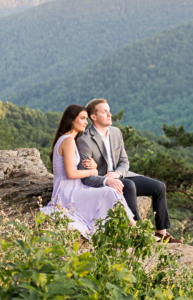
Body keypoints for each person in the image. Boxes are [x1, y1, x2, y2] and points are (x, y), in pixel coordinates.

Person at [77, 98, 181, 243]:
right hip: (103, 181)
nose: (110, 114)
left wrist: (117, 173)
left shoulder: (116, 132)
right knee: (129, 186)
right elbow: (86, 177)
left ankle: (161, 232)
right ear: (93, 117)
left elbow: (124, 161)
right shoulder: (85, 140)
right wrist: (108, 179)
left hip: (121, 175)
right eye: (104, 112)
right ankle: (138, 232)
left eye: (109, 111)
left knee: (159, 187)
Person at [40, 104, 134, 236]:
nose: (86, 122)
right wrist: (93, 172)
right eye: (82, 118)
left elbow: (74, 167)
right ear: (72, 119)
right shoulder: (68, 141)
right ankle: (136, 230)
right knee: (109, 192)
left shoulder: (69, 139)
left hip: (74, 188)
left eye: (86, 119)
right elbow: (71, 173)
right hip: (68, 193)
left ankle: (131, 230)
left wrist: (93, 166)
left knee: (110, 192)